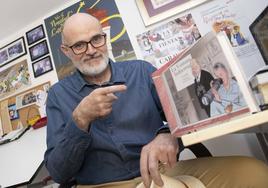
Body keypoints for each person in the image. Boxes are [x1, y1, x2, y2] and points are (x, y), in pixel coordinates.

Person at [44, 13, 268, 188]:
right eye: (80, 45)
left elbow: (183, 117)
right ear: (67, 51)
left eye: (96, 39)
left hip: (164, 171)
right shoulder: (58, 96)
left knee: (256, 172)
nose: (92, 50)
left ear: (105, 37)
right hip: (103, 183)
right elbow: (59, 172)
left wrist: (168, 135)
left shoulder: (141, 71)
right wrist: (80, 119)